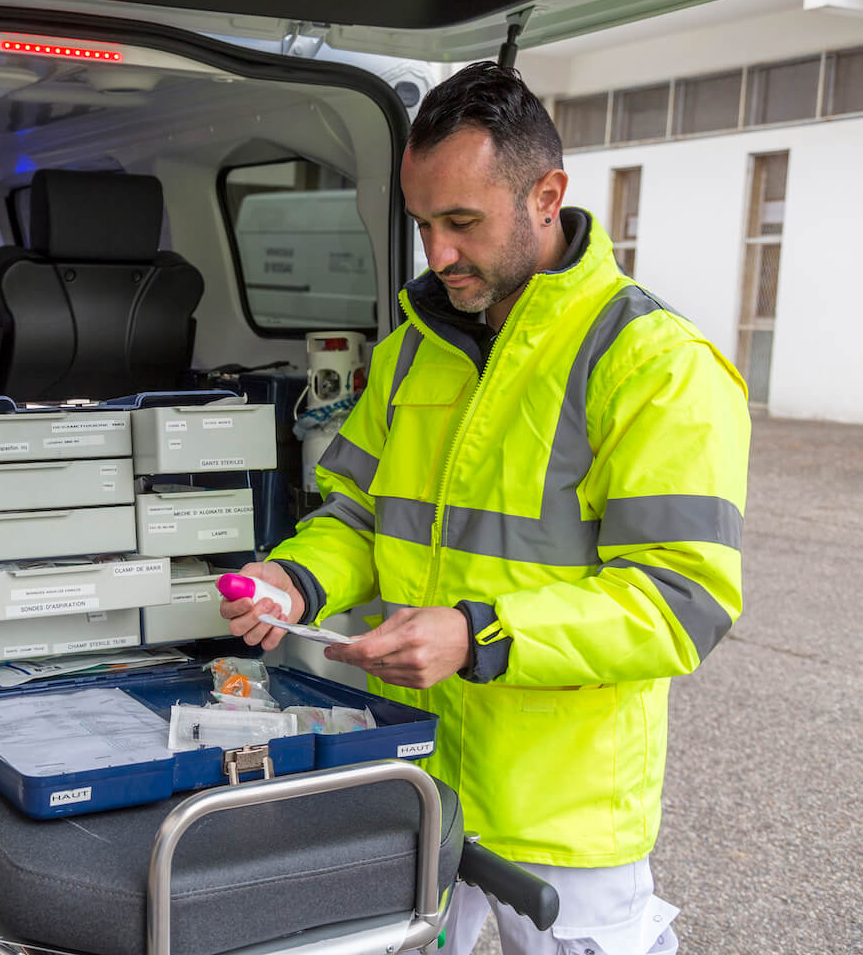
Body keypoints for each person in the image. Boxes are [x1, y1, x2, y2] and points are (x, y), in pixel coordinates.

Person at [222, 62, 749, 955]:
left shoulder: (656, 365)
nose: (437, 254)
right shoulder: (409, 352)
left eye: (461, 222)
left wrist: (479, 635)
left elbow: (679, 603)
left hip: (563, 817)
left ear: (547, 195)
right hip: (412, 776)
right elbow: (356, 515)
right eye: (423, 224)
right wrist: (296, 579)